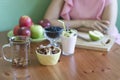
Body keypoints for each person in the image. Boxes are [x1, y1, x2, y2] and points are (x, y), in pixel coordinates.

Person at [44, 0, 120, 45]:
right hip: (75, 41)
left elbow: (106, 30)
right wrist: (83, 23)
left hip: (106, 43)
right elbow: (48, 22)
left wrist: (70, 26)